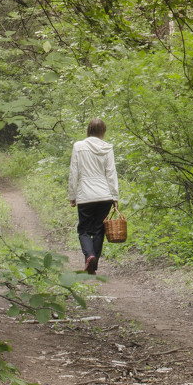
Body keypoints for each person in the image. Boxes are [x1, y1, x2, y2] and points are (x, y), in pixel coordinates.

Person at [67, 118, 118, 275]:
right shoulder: (107, 148)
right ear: (103, 131)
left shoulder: (78, 146)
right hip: (104, 195)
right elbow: (111, 173)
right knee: (98, 230)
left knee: (83, 230)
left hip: (85, 195)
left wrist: (72, 194)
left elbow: (73, 172)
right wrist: (115, 196)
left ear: (89, 129)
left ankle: (89, 256)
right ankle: (92, 266)